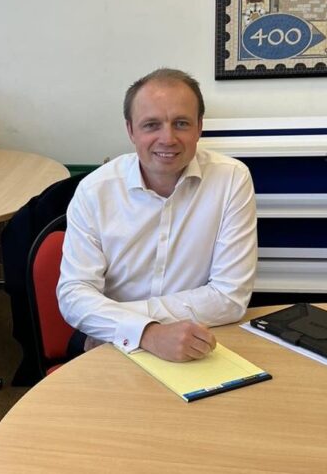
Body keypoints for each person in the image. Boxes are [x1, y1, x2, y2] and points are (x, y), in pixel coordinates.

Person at [57, 68, 257, 362]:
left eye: (181, 123)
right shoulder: (94, 191)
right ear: (130, 131)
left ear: (199, 126)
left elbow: (229, 298)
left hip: (186, 338)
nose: (168, 138)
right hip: (110, 348)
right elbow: (74, 295)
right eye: (151, 125)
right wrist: (148, 334)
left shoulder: (232, 180)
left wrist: (125, 323)